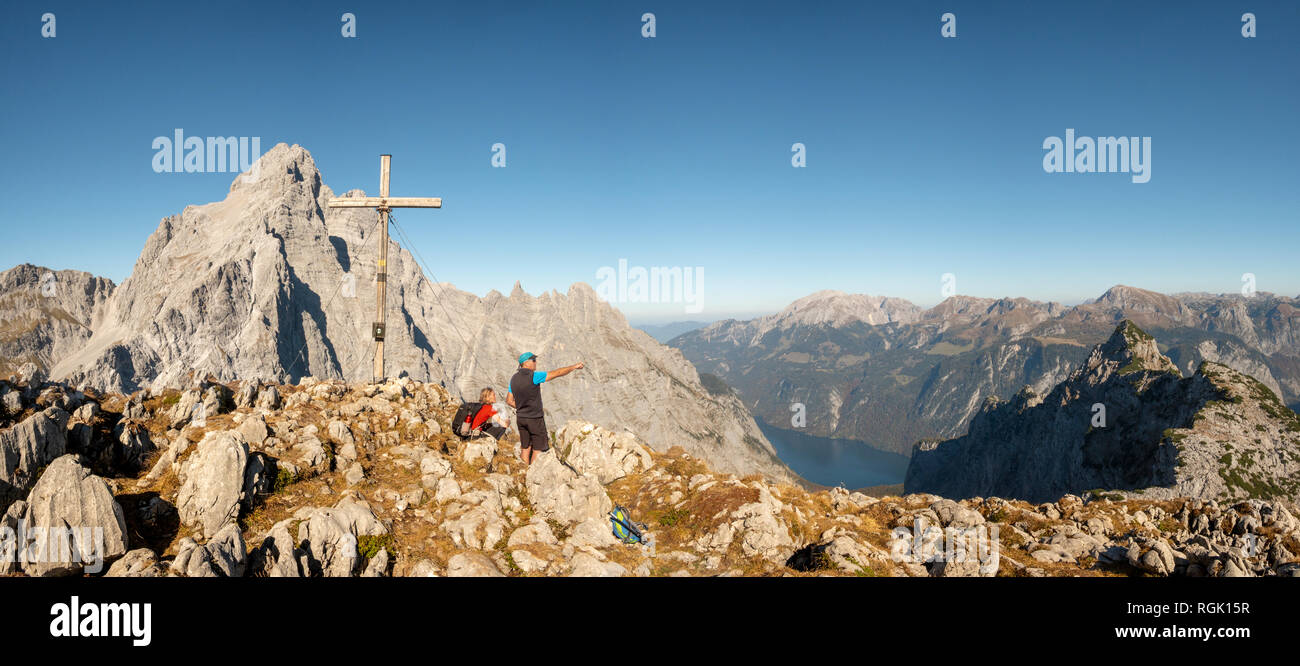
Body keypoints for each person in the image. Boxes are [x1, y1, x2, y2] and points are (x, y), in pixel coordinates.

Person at [507, 352, 583, 465]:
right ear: (526, 363)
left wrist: (522, 407)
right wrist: (573, 367)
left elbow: (509, 400)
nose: (535, 362)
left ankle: (523, 471)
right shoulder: (534, 376)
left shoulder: (513, 379)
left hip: (521, 418)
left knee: (525, 447)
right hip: (535, 419)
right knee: (538, 448)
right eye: (533, 360)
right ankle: (531, 474)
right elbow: (557, 373)